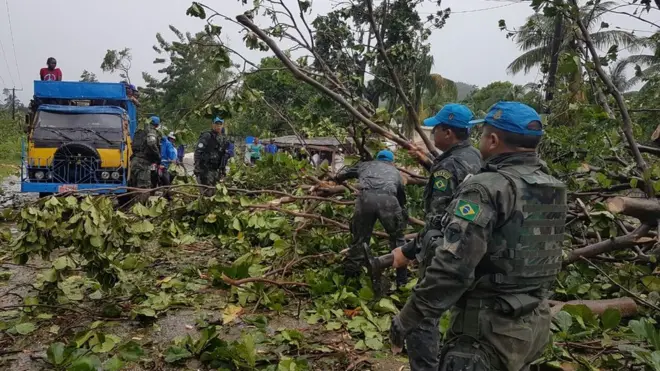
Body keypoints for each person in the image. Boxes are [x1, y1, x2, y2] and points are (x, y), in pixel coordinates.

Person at [389, 102, 567, 371]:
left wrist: (407, 318)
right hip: (533, 322)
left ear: (493, 140)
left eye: (483, 134)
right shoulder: (551, 185)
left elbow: (453, 268)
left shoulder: (486, 188)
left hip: (485, 330)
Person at [390, 104, 483, 371]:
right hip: (474, 248)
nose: (432, 135)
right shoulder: (475, 157)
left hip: (445, 250)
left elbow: (437, 220)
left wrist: (409, 250)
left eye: (435, 130)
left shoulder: (448, 167)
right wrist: (423, 159)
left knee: (422, 315)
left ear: (448, 132)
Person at [335, 149, 408, 286]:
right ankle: (401, 282)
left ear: (377, 158)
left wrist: (337, 179)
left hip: (365, 200)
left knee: (359, 239)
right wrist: (401, 212)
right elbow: (401, 197)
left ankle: (351, 280)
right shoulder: (396, 172)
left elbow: (342, 174)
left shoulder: (365, 165)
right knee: (398, 239)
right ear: (391, 162)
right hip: (389, 200)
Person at [194, 117, 228, 195]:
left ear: (223, 125)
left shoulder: (223, 138)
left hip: (215, 170)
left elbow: (222, 156)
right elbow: (198, 152)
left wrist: (223, 170)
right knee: (207, 193)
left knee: (214, 193)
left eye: (220, 124)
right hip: (205, 169)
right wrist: (197, 167)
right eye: (216, 124)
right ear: (212, 124)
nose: (218, 126)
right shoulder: (207, 135)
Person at [130, 116, 162, 197]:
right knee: (143, 188)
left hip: (134, 161)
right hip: (143, 163)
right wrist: (158, 156)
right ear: (157, 125)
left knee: (133, 187)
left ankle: (132, 207)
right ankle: (140, 208)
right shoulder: (151, 131)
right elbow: (151, 143)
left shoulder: (139, 131)